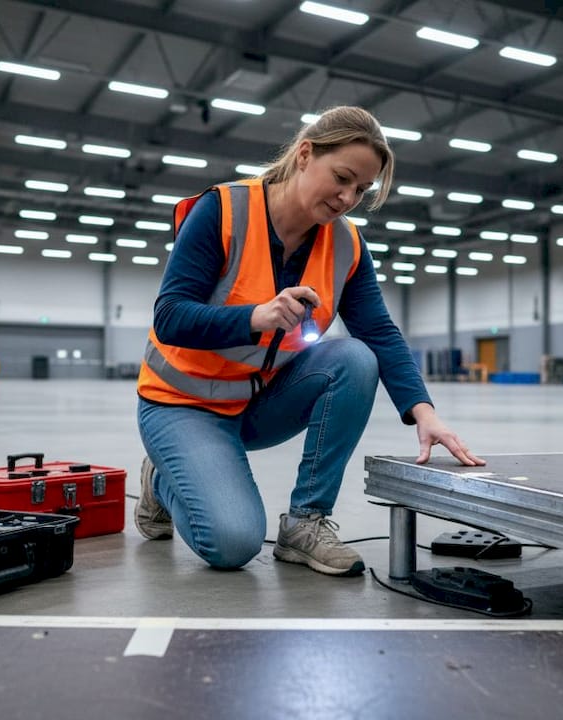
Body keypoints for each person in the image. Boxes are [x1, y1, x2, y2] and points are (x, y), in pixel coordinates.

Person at [135, 106, 485, 577]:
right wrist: (255, 316)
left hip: (256, 405)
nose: (347, 198)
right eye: (341, 177)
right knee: (233, 544)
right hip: (182, 404)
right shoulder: (221, 211)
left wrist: (425, 412)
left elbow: (379, 333)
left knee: (355, 358)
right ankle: (161, 478)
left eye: (361, 189)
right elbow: (169, 317)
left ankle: (305, 523)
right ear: (304, 155)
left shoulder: (347, 246)